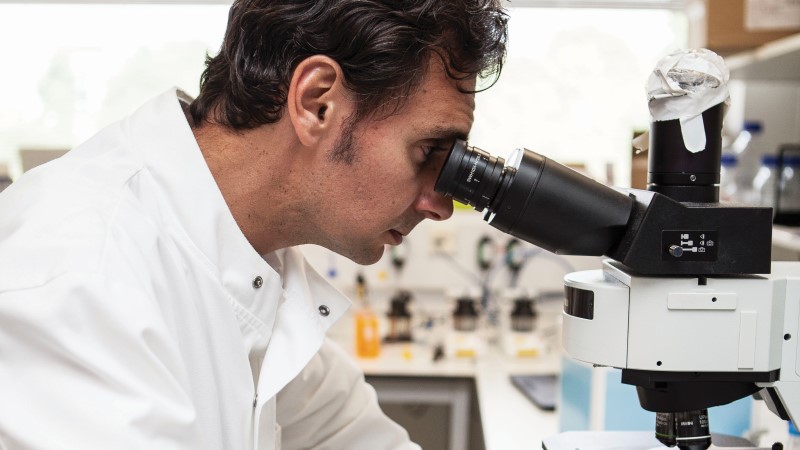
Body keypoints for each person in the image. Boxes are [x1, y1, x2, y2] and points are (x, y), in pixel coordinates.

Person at [0, 0, 507, 448]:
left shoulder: (251, 254)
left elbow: (349, 435)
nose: (441, 205)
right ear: (317, 102)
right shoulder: (79, 277)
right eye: (427, 152)